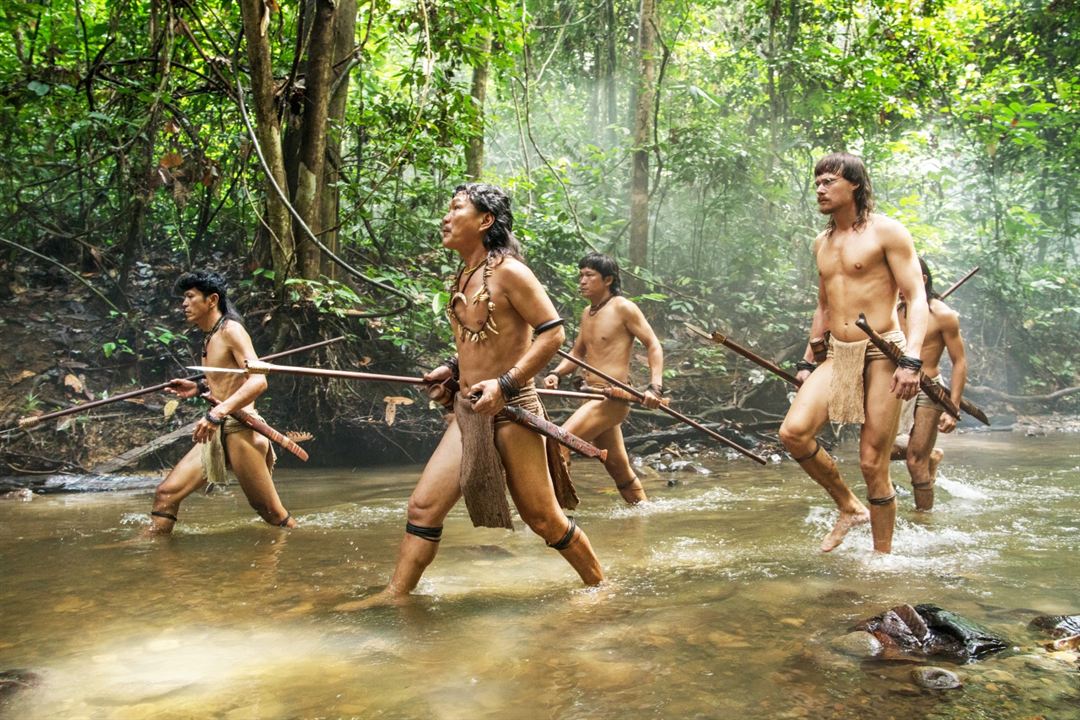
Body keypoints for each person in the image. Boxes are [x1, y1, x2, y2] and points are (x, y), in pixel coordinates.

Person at [353, 183, 603, 606]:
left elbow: (553, 332)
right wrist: (451, 372)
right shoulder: (465, 273)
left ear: (485, 220)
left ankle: (600, 586)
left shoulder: (509, 271)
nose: (445, 218)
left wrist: (505, 385)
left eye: (456, 209)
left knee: (543, 519)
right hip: (469, 412)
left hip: (513, 411)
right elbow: (480, 343)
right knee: (423, 508)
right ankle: (395, 596)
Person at [779, 152, 928, 554]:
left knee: (871, 462)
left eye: (829, 181)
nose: (820, 189)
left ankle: (883, 558)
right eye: (818, 183)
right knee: (793, 433)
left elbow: (916, 298)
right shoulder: (822, 243)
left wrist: (912, 359)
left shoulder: (887, 232)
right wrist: (807, 363)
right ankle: (849, 507)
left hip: (884, 353)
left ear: (855, 185)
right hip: (839, 354)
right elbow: (824, 307)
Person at [143, 271, 296, 535]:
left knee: (271, 513)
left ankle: (302, 544)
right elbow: (228, 380)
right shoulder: (211, 335)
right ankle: (151, 548)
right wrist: (199, 386)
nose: (184, 303)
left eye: (190, 297)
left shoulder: (231, 330)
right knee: (166, 494)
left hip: (241, 430)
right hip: (221, 428)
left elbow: (258, 382)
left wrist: (217, 413)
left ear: (212, 300)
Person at [542, 253, 664, 504]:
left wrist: (655, 388)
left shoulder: (623, 307)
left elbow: (653, 344)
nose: (582, 281)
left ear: (608, 279)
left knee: (557, 442)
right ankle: (643, 511)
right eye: (581, 275)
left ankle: (554, 513)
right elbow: (577, 353)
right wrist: (556, 373)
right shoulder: (588, 313)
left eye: (589, 275)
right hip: (590, 396)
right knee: (618, 468)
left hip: (611, 399)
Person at [889, 257, 968, 511]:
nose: (900, 286)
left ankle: (924, 520)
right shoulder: (892, 312)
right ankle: (930, 455)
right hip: (898, 385)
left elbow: (959, 362)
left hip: (929, 388)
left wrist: (952, 407)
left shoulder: (943, 315)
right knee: (877, 453)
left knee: (914, 461)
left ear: (922, 280)